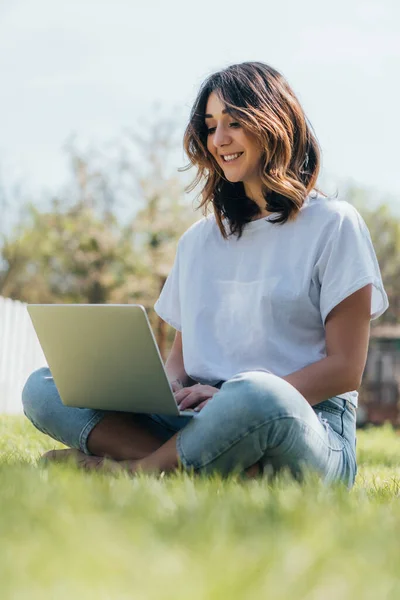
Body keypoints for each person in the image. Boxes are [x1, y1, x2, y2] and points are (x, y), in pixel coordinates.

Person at [22, 61, 388, 487]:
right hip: (199, 418)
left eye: (234, 123)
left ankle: (136, 471)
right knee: (44, 387)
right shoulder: (198, 240)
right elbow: (181, 361)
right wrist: (166, 389)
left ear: (274, 123)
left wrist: (229, 399)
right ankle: (220, 469)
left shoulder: (336, 224)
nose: (220, 140)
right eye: (211, 127)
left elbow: (345, 368)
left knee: (255, 392)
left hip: (305, 423)